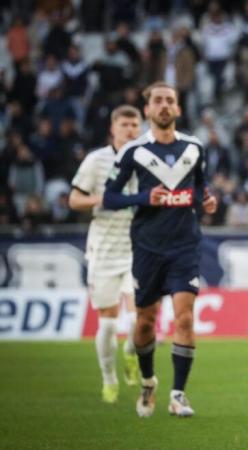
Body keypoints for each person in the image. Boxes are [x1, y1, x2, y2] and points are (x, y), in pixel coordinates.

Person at [103, 82, 218, 418]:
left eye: (170, 100)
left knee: (184, 318)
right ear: (148, 110)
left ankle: (178, 395)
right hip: (148, 247)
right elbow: (110, 197)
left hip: (185, 246)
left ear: (178, 109)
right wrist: (143, 198)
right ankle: (149, 381)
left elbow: (199, 188)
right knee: (145, 323)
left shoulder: (195, 148)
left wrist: (206, 200)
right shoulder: (133, 152)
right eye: (158, 100)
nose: (165, 105)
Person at [69, 105, 143, 403]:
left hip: (137, 249)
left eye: (135, 125)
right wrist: (104, 198)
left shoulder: (146, 159)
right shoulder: (96, 160)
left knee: (140, 321)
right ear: (113, 128)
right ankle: (109, 377)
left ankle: (130, 353)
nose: (130, 130)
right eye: (124, 124)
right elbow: (74, 199)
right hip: (103, 250)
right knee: (109, 323)